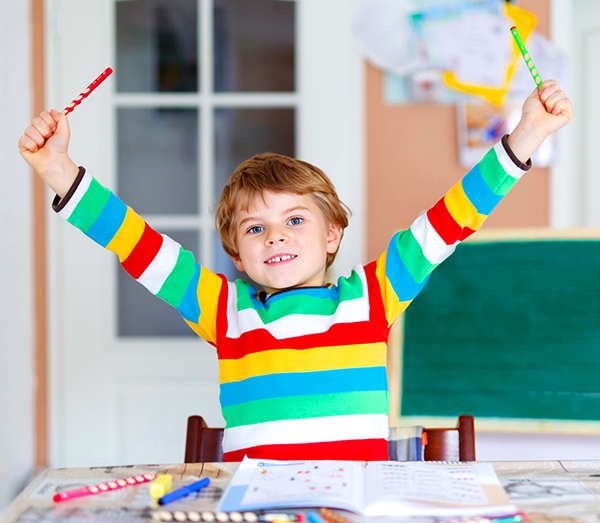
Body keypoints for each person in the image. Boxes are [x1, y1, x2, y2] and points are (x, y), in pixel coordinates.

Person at [19, 80, 572, 462]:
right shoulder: (223, 309)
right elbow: (136, 242)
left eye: (294, 219)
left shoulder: (372, 297)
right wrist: (58, 169)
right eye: (255, 228)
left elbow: (451, 219)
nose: (276, 235)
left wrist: (526, 136)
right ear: (237, 255)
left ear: (332, 234)